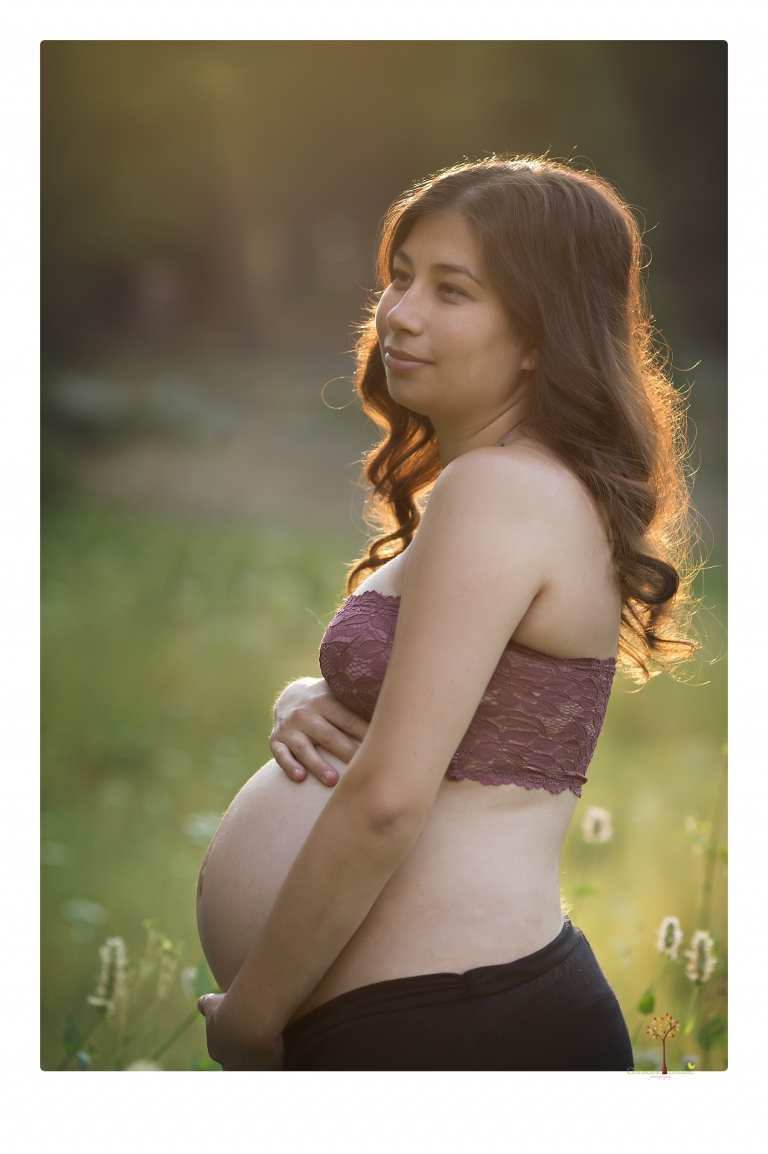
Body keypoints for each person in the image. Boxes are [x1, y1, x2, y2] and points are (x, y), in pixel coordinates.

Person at [196, 157, 696, 1071]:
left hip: (451, 1028)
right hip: (451, 1015)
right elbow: (457, 712)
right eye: (401, 276)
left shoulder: (499, 487)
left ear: (543, 334)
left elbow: (388, 803)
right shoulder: (530, 485)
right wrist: (307, 693)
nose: (400, 312)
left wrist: (250, 1018)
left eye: (452, 290)